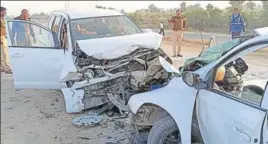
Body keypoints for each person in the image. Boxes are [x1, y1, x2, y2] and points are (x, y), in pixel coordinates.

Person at [0, 6, 12, 74]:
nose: (5, 13)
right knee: (5, 53)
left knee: (3, 53)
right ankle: (7, 68)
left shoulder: (3, 19)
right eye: (4, 12)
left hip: (4, 37)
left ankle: (2, 67)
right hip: (1, 37)